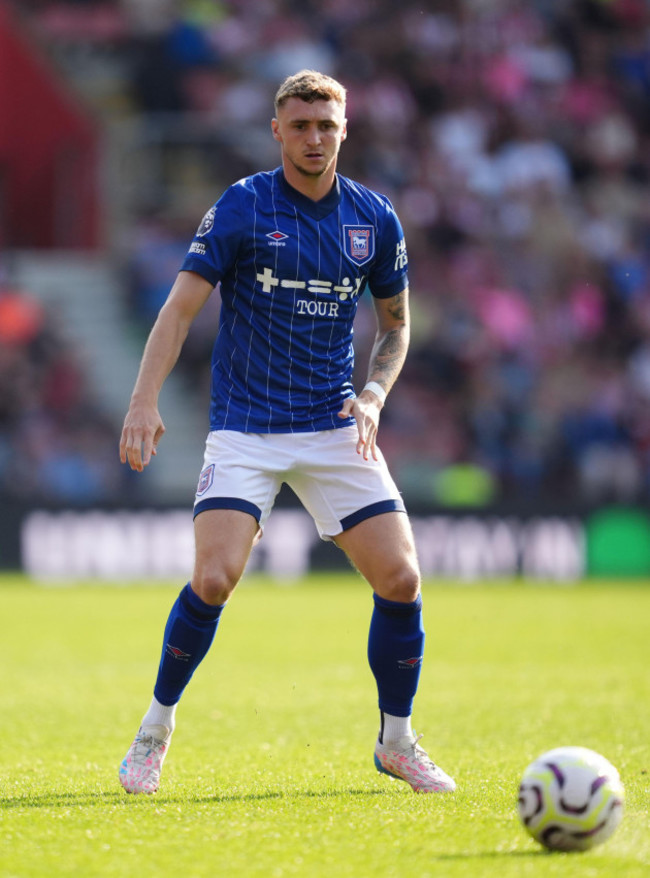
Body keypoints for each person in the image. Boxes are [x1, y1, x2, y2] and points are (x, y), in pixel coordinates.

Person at [118, 69, 456, 795]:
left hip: (336, 425)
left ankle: (397, 742)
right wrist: (144, 400)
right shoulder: (243, 206)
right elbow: (178, 310)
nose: (313, 138)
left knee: (401, 579)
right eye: (299, 126)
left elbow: (396, 328)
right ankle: (155, 728)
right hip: (247, 425)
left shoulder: (375, 218)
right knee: (214, 578)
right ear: (277, 130)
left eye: (325, 126)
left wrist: (372, 396)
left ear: (345, 129)